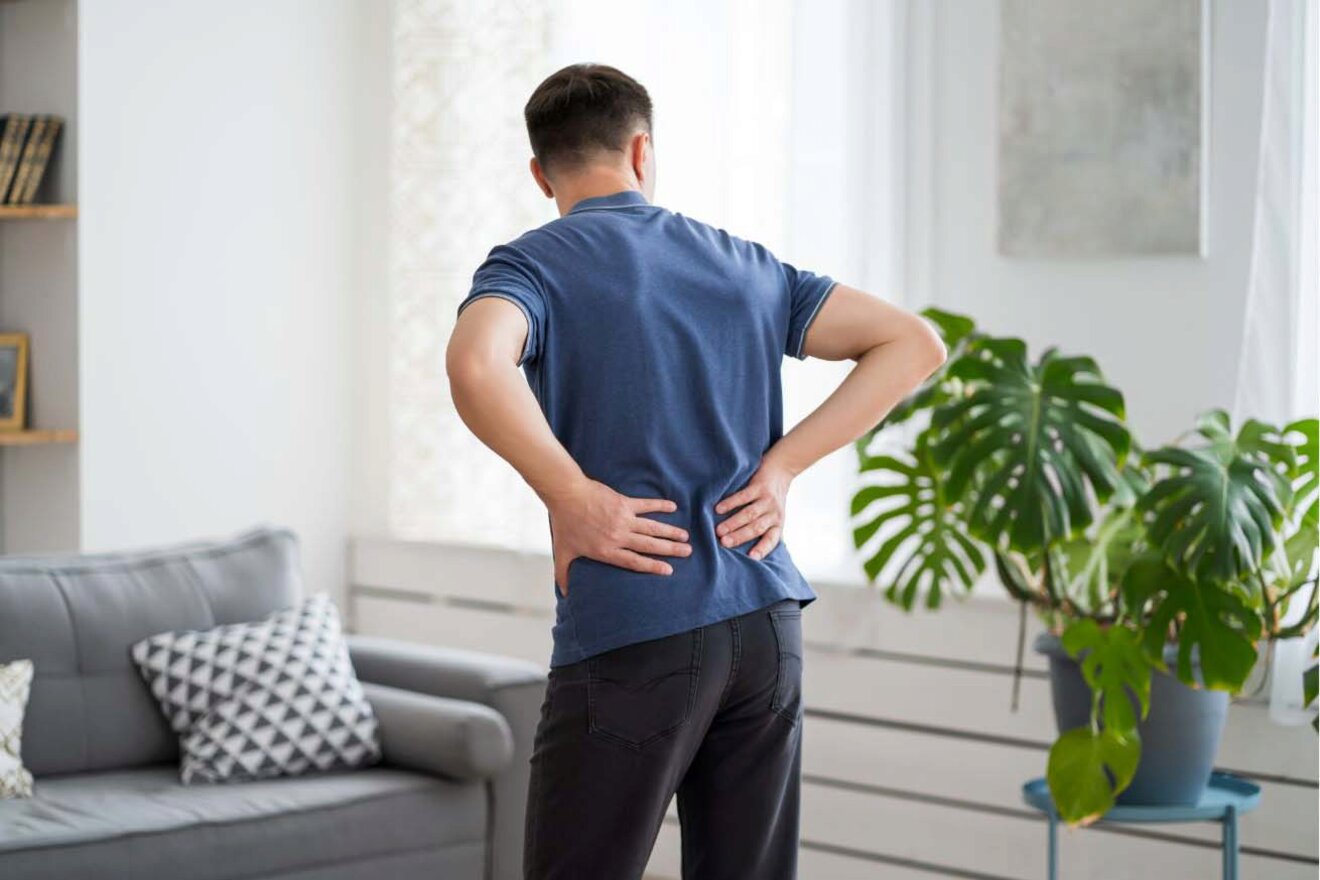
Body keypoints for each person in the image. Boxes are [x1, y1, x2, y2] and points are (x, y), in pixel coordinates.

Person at [446, 63, 946, 880]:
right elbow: (912, 344)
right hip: (765, 626)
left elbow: (475, 366)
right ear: (643, 151)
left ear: (540, 173)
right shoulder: (745, 263)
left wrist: (570, 494)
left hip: (635, 622)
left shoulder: (532, 265)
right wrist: (782, 471)